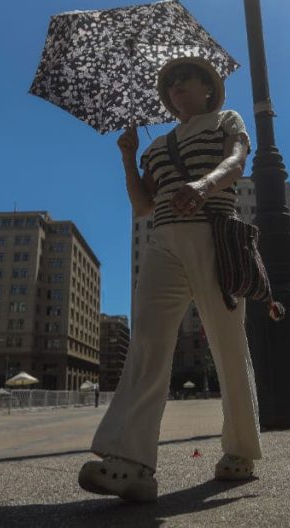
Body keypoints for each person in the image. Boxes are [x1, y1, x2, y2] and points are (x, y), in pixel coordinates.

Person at [78, 56, 260, 502]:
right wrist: (126, 157)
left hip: (214, 235)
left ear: (208, 87)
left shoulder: (226, 119)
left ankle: (240, 450)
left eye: (186, 80)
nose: (177, 87)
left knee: (227, 346)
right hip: (161, 242)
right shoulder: (155, 146)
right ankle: (129, 462)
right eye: (171, 83)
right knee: (146, 345)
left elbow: (238, 160)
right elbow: (142, 204)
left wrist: (204, 185)